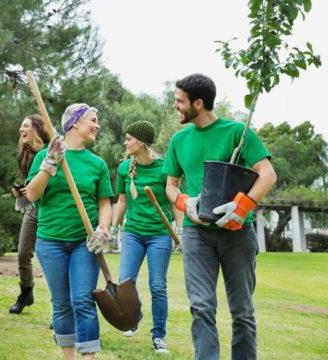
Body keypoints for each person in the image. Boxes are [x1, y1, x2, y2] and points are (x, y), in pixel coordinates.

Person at [164, 74, 276, 360]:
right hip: (196, 233)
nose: (175, 106)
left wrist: (242, 207)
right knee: (201, 306)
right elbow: (171, 186)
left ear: (198, 103)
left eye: (180, 101)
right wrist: (185, 203)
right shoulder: (179, 140)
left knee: (242, 311)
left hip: (237, 233)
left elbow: (267, 174)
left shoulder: (237, 132)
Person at [26, 103, 113, 359]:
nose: (97, 125)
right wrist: (49, 164)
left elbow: (104, 203)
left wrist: (103, 228)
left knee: (83, 301)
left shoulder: (97, 164)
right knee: (62, 304)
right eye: (93, 120)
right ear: (75, 122)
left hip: (84, 243)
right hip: (50, 241)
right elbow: (32, 194)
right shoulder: (46, 155)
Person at [112, 120, 183, 353]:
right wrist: (113, 228)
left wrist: (181, 231)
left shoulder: (164, 168)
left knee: (157, 285)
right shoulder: (124, 169)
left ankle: (158, 335)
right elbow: (122, 201)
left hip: (159, 235)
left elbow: (173, 205)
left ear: (142, 142)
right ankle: (135, 316)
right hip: (133, 232)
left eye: (130, 138)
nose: (126, 142)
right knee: (126, 281)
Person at [8, 114, 50, 314]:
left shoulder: (53, 152)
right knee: (23, 252)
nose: (20, 130)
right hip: (33, 209)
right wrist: (20, 191)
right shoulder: (25, 153)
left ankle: (59, 306)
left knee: (51, 256)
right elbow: (29, 183)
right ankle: (26, 292)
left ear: (36, 128)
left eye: (25, 126)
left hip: (51, 209)